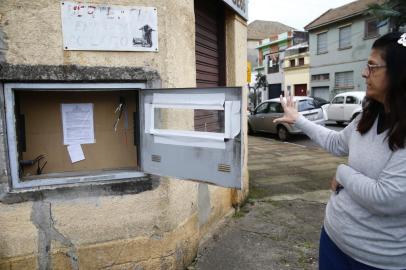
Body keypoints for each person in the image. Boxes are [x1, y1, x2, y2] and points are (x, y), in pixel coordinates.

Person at [274, 32, 406, 270]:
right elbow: (337, 142)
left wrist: (343, 174)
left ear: (399, 73)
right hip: (333, 239)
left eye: (373, 66)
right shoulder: (367, 116)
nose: (364, 73)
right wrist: (298, 120)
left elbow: (387, 198)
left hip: (377, 259)